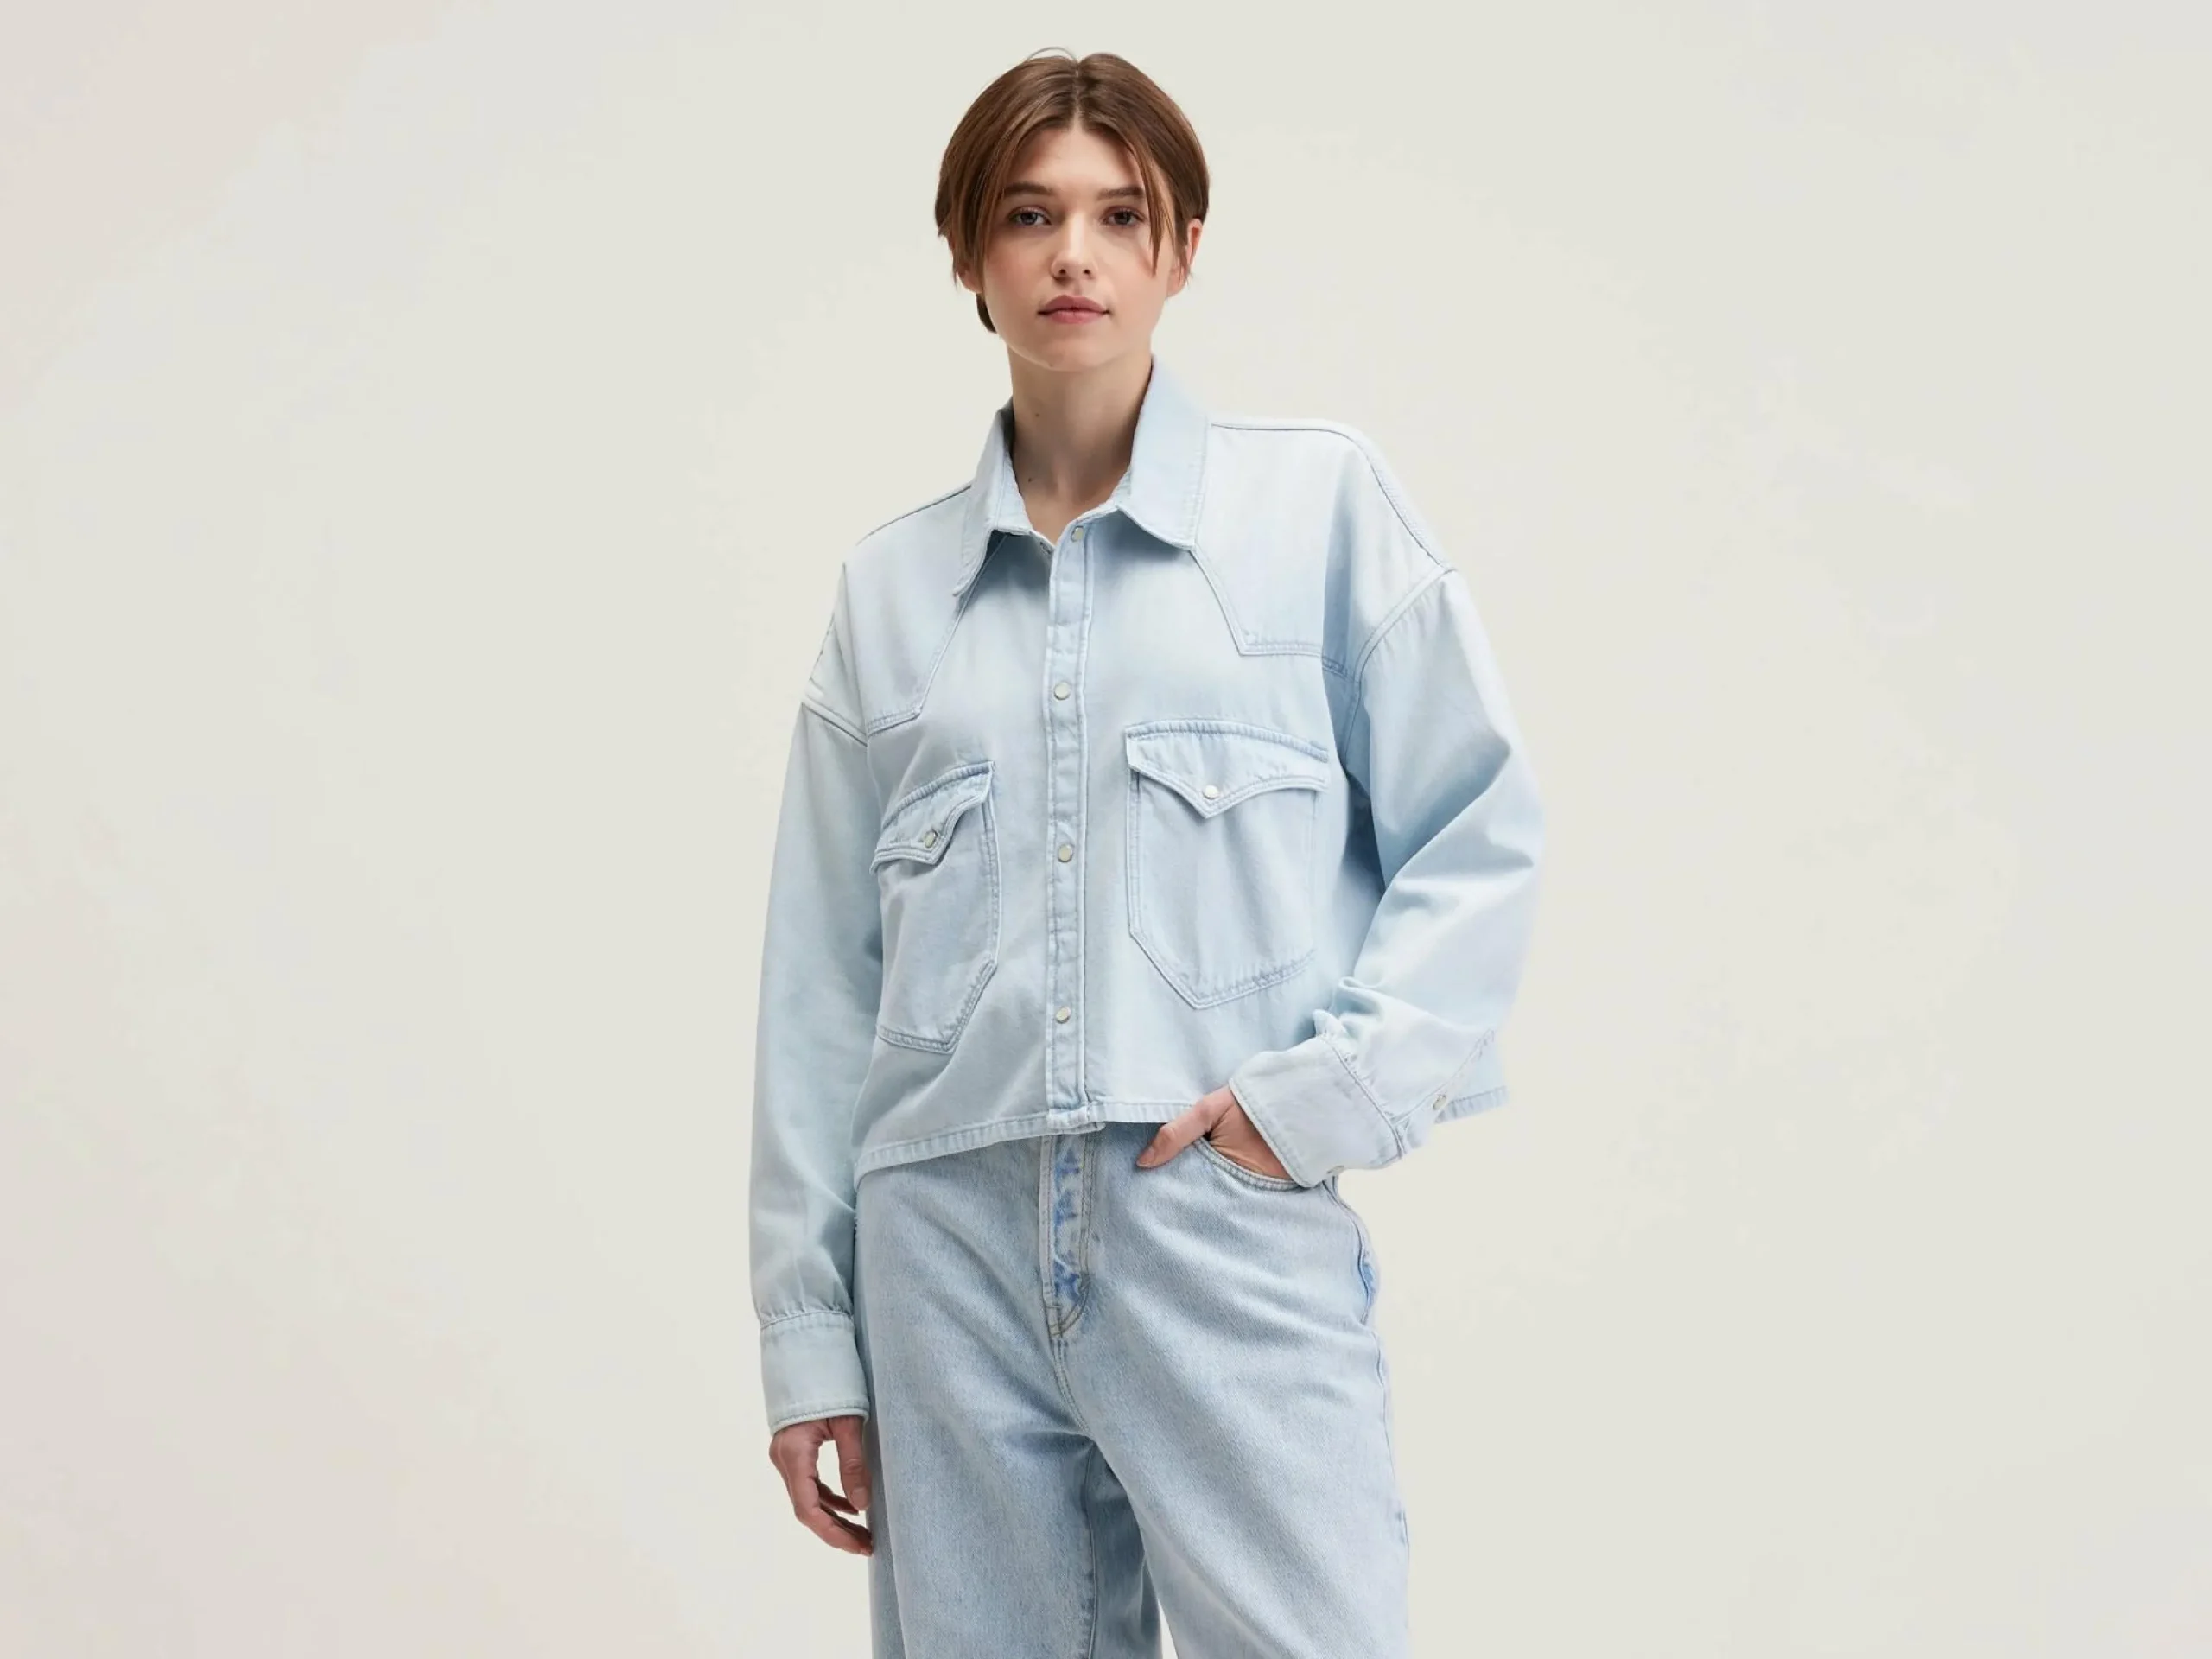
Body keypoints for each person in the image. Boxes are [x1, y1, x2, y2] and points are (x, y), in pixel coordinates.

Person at [748, 47, 1545, 1658]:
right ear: (968, 257)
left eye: (1122, 216)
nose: (1075, 254)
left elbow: (1481, 832)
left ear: (1182, 250)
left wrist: (1318, 1103)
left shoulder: (1317, 512)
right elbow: (820, 985)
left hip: (1211, 1212)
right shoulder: (888, 595)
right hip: (941, 1251)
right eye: (1028, 215)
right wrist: (811, 1336)